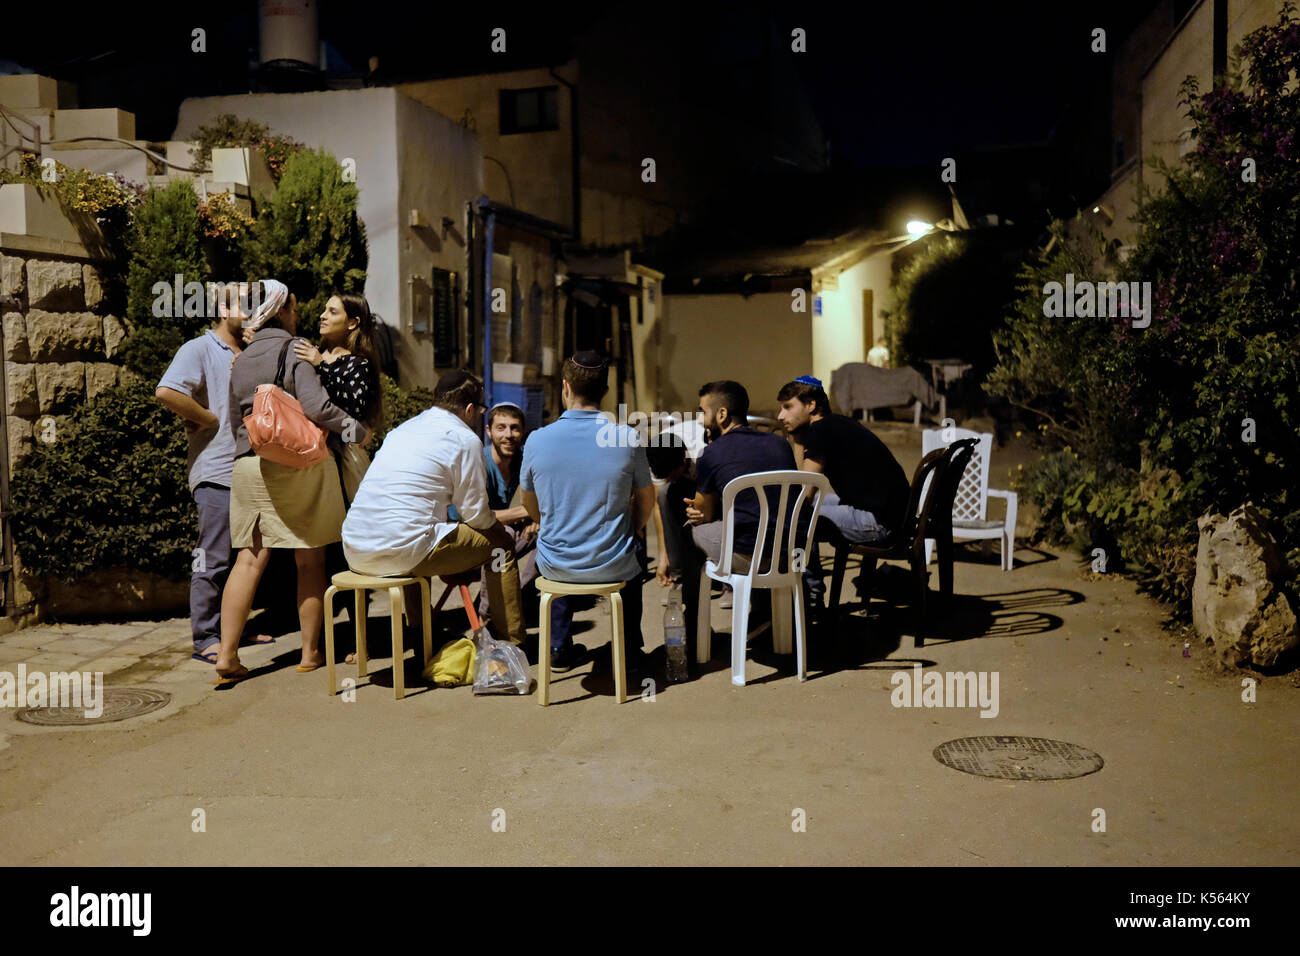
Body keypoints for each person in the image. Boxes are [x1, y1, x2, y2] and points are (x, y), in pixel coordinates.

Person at [214, 280, 371, 683]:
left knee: (249, 559)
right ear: (281, 308)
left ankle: (227, 655)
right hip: (298, 463)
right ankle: (309, 652)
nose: (299, 314)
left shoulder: (242, 357)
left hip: (250, 462)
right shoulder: (295, 348)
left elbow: (234, 419)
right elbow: (317, 407)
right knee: (310, 559)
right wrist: (359, 432)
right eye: (295, 307)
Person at [341, 369, 527, 647]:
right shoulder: (465, 439)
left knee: (417, 538)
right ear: (469, 409)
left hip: (355, 548)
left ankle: (422, 636)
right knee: (502, 546)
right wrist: (499, 529)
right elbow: (475, 514)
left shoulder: (401, 431)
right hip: (404, 551)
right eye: (479, 411)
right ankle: (512, 644)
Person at [156, 283, 272, 663]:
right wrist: (208, 418)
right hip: (216, 470)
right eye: (244, 304)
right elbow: (167, 391)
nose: (252, 310)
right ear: (223, 310)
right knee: (212, 556)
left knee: (248, 556)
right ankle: (204, 636)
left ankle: (231, 629)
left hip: (249, 468)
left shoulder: (247, 350)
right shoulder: (200, 348)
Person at [520, 352, 656, 673]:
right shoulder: (627, 437)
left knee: (557, 543)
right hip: (614, 565)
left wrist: (548, 522)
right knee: (633, 549)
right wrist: (634, 529)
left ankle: (557, 647)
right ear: (605, 393)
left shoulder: (537, 440)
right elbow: (647, 498)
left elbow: (528, 502)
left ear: (565, 387)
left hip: (556, 566)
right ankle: (628, 647)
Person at [776, 374, 910, 613]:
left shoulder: (820, 431)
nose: (780, 416)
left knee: (795, 519)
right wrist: (798, 439)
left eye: (788, 407)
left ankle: (811, 596)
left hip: (880, 523)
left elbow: (804, 492)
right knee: (801, 510)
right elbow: (806, 489)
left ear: (811, 405)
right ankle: (809, 592)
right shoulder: (837, 423)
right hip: (893, 515)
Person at [681, 381, 797, 641]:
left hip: (748, 556)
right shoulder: (780, 444)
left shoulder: (711, 454)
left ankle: (694, 630)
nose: (700, 420)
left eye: (703, 411)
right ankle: (766, 613)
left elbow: (705, 514)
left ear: (721, 414)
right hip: (786, 552)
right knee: (752, 523)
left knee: (690, 532)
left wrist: (698, 513)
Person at [293, 291, 384, 504]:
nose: (323, 316)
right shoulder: (312, 354)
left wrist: (321, 367)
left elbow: (354, 406)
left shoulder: (358, 363)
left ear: (352, 323)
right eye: (325, 310)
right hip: (304, 451)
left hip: (341, 458)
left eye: (332, 312)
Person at [473, 401, 539, 622]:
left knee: (551, 532)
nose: (509, 434)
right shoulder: (479, 462)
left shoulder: (525, 462)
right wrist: (527, 512)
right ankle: (485, 615)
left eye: (515, 428)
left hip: (506, 531)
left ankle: (517, 594)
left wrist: (536, 519)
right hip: (471, 538)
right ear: (489, 431)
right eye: (501, 427)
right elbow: (478, 516)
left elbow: (543, 503)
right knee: (503, 537)